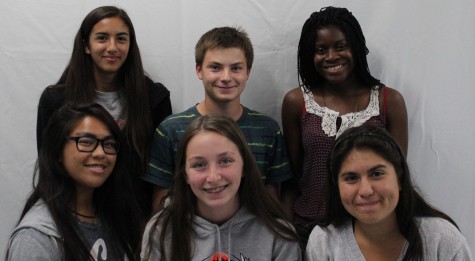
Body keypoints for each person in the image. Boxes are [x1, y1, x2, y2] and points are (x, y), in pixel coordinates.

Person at [281, 6, 408, 242]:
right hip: (310, 228)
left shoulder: (389, 101)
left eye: (340, 46)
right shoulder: (296, 102)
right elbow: (294, 177)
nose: (331, 57)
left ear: (356, 48)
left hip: (372, 231)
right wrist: (288, 236)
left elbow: (397, 176)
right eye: (321, 50)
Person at [36, 6, 172, 217]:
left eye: (121, 39)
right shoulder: (55, 101)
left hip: (136, 220)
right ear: (86, 46)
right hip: (75, 217)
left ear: (130, 45)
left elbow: (162, 174)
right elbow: (49, 167)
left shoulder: (155, 99)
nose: (112, 47)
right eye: (102, 38)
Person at [144, 26, 292, 212]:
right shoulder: (170, 130)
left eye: (236, 68)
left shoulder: (268, 130)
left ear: (248, 72)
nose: (226, 77)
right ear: (199, 70)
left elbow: (272, 203)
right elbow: (161, 206)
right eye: (215, 67)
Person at [141, 115, 302, 260]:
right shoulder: (161, 230)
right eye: (199, 164)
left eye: (225, 161)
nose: (213, 177)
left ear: (244, 166)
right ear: (185, 175)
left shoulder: (279, 234)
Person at [306, 125, 473, 260]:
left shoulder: (442, 240)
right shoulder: (323, 242)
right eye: (351, 178)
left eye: (377, 174)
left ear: (400, 179)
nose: (366, 190)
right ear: (337, 186)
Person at [6, 103, 143, 260]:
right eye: (86, 141)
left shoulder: (116, 216)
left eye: (109, 144)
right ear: (57, 150)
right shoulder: (36, 237)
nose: (100, 153)